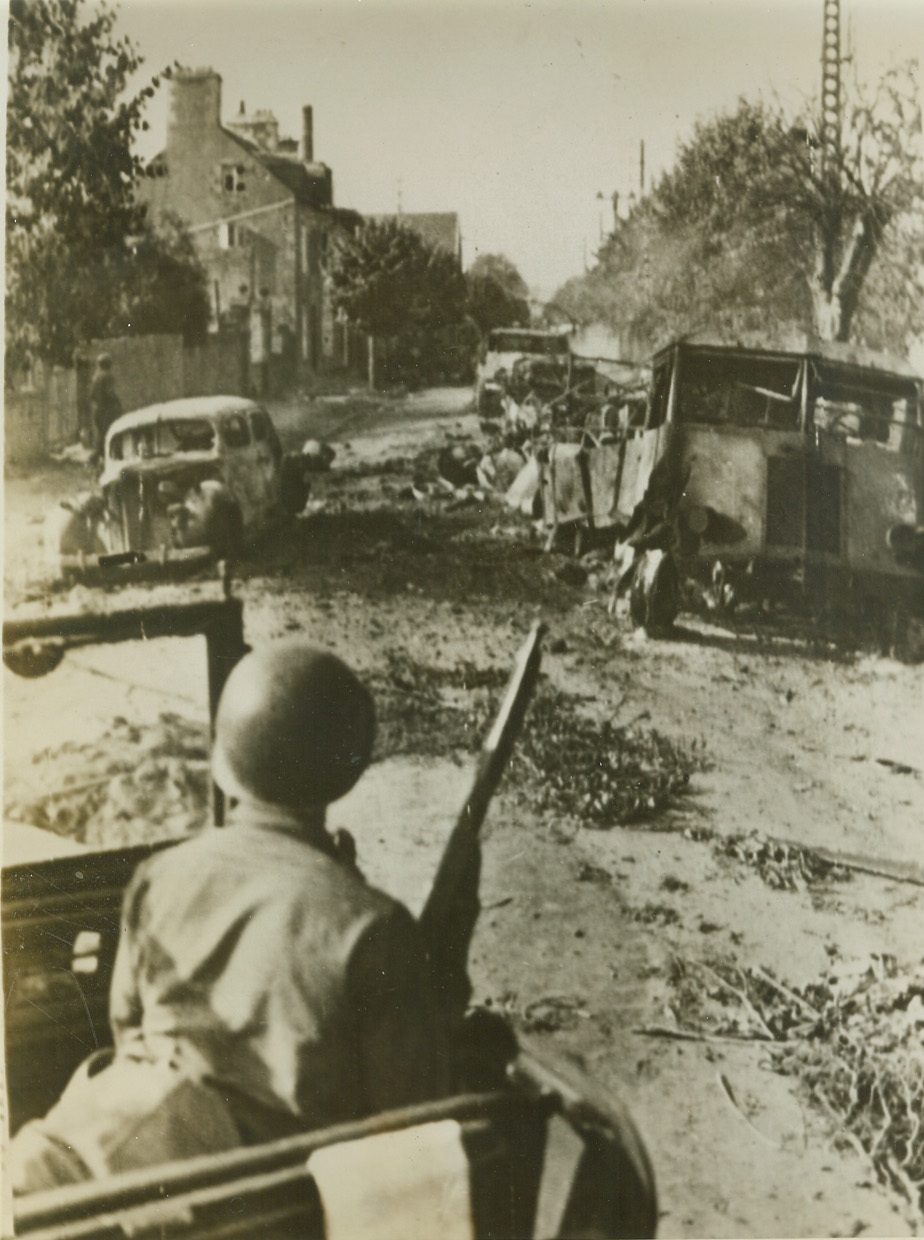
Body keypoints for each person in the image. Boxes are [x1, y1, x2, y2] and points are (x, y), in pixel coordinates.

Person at [10, 643, 463, 1192]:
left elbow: (129, 1032)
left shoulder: (159, 876)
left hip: (92, 1154)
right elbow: (408, 1126)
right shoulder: (373, 926)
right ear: (349, 769)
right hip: (254, 1205)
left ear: (224, 766)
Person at [89, 354, 122, 461]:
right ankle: (114, 457)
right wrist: (117, 402)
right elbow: (110, 393)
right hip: (108, 410)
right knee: (113, 433)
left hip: (98, 411)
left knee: (102, 434)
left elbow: (92, 396)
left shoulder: (96, 377)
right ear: (109, 364)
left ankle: (102, 458)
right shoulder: (108, 376)